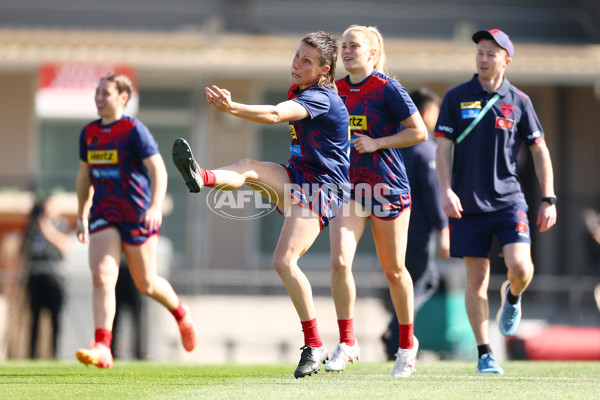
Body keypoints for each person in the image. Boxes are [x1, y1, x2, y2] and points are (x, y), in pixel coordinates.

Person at [172, 31, 350, 379]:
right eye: (297, 55)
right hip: (299, 176)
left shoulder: (321, 97)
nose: (297, 64)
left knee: (283, 261)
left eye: (307, 61)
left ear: (325, 70)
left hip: (322, 188)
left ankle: (314, 344)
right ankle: (201, 176)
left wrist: (232, 107)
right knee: (247, 167)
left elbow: (272, 114)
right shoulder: (302, 90)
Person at [434, 29, 557, 374]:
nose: (483, 59)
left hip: (508, 200)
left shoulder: (520, 101)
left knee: (520, 267)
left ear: (507, 60)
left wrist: (548, 198)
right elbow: (443, 149)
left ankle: (513, 297)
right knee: (476, 280)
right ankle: (485, 352)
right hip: (467, 204)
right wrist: (445, 189)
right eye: (480, 53)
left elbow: (540, 151)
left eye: (491, 54)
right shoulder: (456, 97)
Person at [75, 73, 198, 369]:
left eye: (106, 93)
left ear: (122, 98)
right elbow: (84, 177)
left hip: (136, 213)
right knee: (102, 275)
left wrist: (155, 205)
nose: (99, 98)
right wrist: (81, 214)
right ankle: (102, 346)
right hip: (104, 213)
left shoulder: (134, 131)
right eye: (97, 92)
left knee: (146, 283)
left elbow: (159, 171)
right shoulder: (89, 133)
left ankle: (181, 313)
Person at [325, 25, 427, 377]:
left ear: (371, 53)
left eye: (354, 45)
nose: (347, 50)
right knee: (339, 262)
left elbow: (419, 132)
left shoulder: (387, 88)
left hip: (387, 188)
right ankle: (347, 343)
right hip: (350, 189)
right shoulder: (333, 91)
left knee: (394, 270)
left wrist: (377, 143)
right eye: (344, 46)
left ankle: (406, 346)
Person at [382, 88, 450, 360]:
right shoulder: (425, 150)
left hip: (391, 227)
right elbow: (434, 195)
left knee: (406, 280)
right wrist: (444, 229)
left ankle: (395, 335)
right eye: (434, 112)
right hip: (418, 231)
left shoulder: (395, 145)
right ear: (423, 114)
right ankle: (395, 335)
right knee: (423, 282)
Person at [20, 194, 70, 358]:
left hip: (54, 278)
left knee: (55, 320)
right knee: (34, 320)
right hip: (35, 278)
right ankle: (32, 355)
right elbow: (25, 252)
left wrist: (47, 230)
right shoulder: (32, 227)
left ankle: (55, 354)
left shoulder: (61, 225)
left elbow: (64, 245)